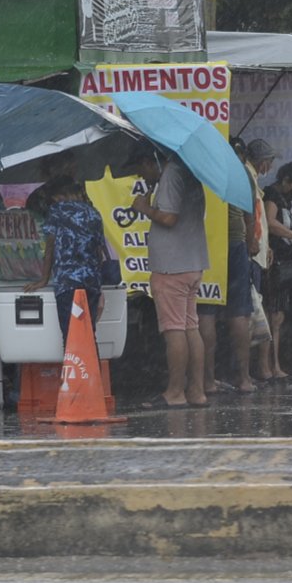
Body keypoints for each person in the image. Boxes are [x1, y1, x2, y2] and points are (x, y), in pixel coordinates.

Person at [126, 143, 210, 409]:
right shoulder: (188, 171)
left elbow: (169, 218)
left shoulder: (172, 174)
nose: (142, 176)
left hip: (172, 267)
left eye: (142, 169)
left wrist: (144, 208)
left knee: (174, 330)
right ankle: (196, 391)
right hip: (191, 262)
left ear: (150, 162)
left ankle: (175, 392)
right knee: (190, 327)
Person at [197, 137, 258, 395]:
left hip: (208, 241)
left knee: (206, 313)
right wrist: (250, 240)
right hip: (235, 242)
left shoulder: (202, 164)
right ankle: (243, 379)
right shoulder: (241, 171)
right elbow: (249, 212)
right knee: (238, 313)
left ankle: (207, 381)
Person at [23, 174, 107, 347]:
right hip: (91, 283)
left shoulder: (57, 211)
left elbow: (50, 247)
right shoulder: (94, 213)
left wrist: (44, 279)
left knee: (69, 333)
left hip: (67, 283)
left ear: (58, 195)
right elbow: (99, 252)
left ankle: (73, 370)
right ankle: (91, 371)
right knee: (88, 332)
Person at [262, 161, 292, 382]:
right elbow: (270, 223)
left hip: (285, 259)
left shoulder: (286, 201)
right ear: (286, 181)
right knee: (272, 314)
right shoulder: (272, 196)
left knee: (278, 316)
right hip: (274, 261)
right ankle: (270, 365)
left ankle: (275, 364)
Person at [244, 138, 277, 381]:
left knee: (255, 310)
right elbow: (252, 217)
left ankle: (256, 370)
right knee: (253, 311)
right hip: (252, 256)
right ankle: (254, 371)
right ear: (263, 161)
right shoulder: (247, 176)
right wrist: (255, 242)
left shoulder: (251, 178)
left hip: (257, 253)